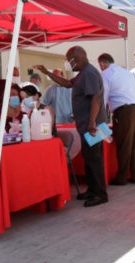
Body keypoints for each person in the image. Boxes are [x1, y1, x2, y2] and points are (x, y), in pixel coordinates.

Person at [34, 46, 108, 207]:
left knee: (94, 159)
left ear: (77, 58)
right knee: (89, 158)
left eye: (69, 60)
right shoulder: (82, 74)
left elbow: (95, 99)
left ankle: (100, 194)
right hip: (88, 125)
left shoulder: (89, 73)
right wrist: (47, 72)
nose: (68, 64)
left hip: (93, 125)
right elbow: (67, 83)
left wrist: (91, 123)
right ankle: (92, 189)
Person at [98, 53, 135, 186]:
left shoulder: (106, 74)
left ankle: (122, 177)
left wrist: (100, 118)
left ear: (102, 63)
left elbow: (103, 98)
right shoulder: (126, 72)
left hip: (124, 111)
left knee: (124, 144)